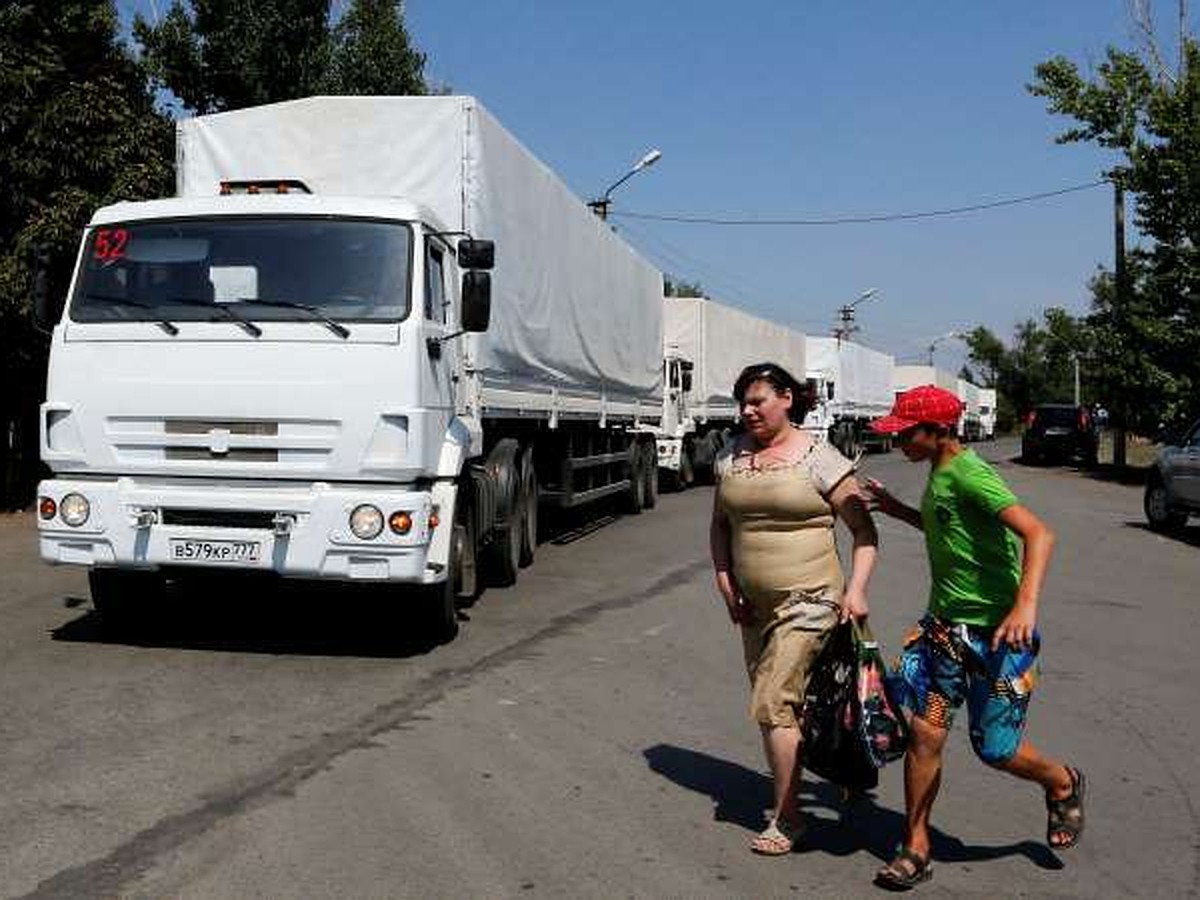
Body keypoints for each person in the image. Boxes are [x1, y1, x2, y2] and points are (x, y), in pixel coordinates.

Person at [862, 385, 1084, 891]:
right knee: (926, 732)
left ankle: (1060, 781)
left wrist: (1025, 604)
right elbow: (949, 530)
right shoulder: (939, 473)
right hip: (945, 633)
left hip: (999, 638)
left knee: (996, 749)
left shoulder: (970, 473)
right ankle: (916, 847)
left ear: (939, 432)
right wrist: (897, 510)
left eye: (907, 434)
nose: (899, 444)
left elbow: (1039, 533)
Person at [709, 362, 878, 856]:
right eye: (742, 403)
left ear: (787, 399)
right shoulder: (730, 458)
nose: (747, 411)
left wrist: (857, 590)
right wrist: (725, 584)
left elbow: (864, 533)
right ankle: (842, 765)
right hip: (752, 606)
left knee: (772, 702)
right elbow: (720, 526)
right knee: (797, 706)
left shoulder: (820, 458)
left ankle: (788, 818)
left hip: (811, 601)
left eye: (757, 401)